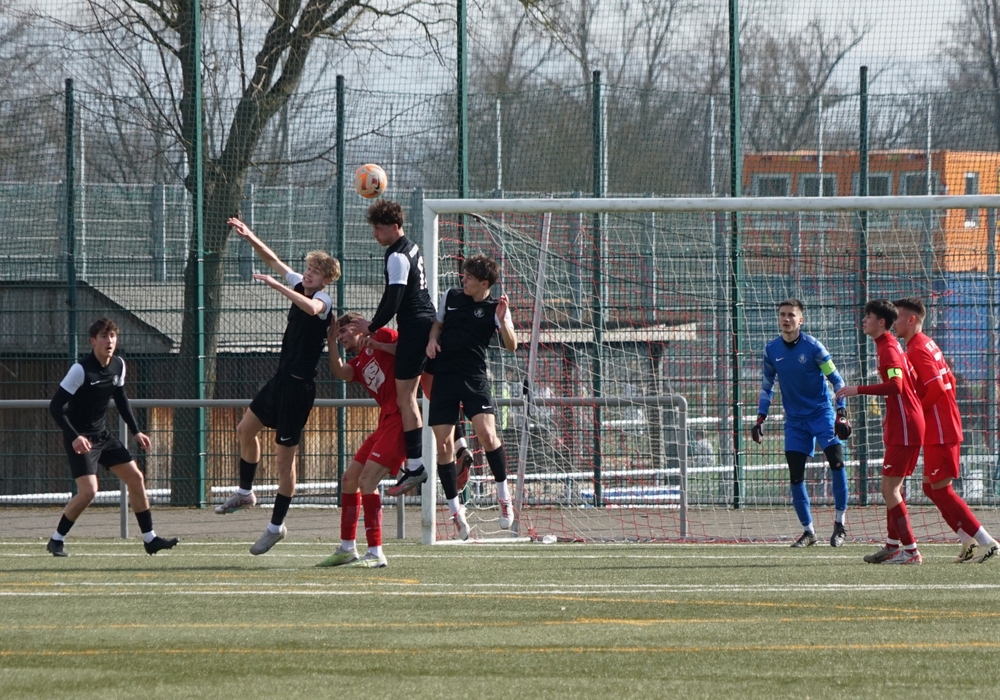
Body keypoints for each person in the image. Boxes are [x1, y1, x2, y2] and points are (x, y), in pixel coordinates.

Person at [214, 217, 340, 557]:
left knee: (285, 464)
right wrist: (250, 235)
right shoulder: (299, 282)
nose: (308, 273)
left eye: (315, 271)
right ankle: (245, 491)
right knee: (245, 429)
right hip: (279, 381)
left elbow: (311, 307)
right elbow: (273, 260)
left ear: (326, 279)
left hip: (300, 390)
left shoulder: (325, 301)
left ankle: (275, 527)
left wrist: (277, 286)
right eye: (308, 268)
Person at [47, 318, 177, 557]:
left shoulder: (119, 365)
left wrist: (136, 430)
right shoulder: (81, 370)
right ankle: (57, 539)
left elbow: (121, 399)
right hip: (80, 438)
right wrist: (75, 437)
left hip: (103, 436)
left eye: (113, 336)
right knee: (89, 492)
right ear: (93, 341)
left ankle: (150, 539)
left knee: (136, 478)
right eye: (104, 337)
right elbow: (55, 407)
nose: (110, 341)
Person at [893, 298, 998, 564]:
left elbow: (939, 387)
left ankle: (988, 541)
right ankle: (967, 539)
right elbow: (948, 379)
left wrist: (918, 408)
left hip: (940, 428)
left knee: (942, 489)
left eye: (897, 317)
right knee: (931, 489)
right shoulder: (926, 342)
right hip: (941, 425)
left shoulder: (917, 348)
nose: (894, 322)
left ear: (911, 320)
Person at [349, 200, 437, 498]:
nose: (375, 234)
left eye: (379, 228)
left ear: (394, 226)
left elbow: (394, 300)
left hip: (414, 327)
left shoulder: (397, 256)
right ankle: (457, 446)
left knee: (405, 398)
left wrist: (370, 328)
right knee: (430, 389)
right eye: (373, 227)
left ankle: (415, 465)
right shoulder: (411, 247)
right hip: (426, 322)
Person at [427, 255, 518, 539]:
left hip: (474, 377)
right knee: (443, 445)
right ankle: (456, 511)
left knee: (487, 435)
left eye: (468, 277)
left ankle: (504, 497)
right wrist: (432, 339)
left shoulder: (496, 307)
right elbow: (438, 325)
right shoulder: (451, 295)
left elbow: (512, 345)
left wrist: (503, 322)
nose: (462, 280)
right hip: (445, 376)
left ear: (484, 283)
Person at [751, 299, 853, 548]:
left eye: (791, 315)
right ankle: (809, 532)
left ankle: (840, 524)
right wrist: (760, 416)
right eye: (782, 315)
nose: (786, 319)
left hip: (822, 415)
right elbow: (767, 386)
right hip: (795, 422)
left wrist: (841, 412)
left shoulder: (814, 347)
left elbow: (837, 380)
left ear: (800, 320)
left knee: (837, 463)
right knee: (796, 477)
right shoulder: (771, 350)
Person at [837, 299, 925, 565]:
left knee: (890, 489)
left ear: (881, 322)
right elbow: (909, 385)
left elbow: (897, 385)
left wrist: (858, 389)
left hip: (906, 426)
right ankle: (892, 546)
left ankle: (911, 551)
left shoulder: (888, 348)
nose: (864, 320)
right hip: (903, 423)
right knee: (891, 488)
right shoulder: (886, 346)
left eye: (868, 316)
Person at [317, 313, 403, 569]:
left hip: (401, 419)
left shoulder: (382, 336)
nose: (342, 338)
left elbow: (409, 350)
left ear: (356, 328)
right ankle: (346, 548)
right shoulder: (359, 361)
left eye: (343, 333)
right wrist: (331, 343)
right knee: (349, 479)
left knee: (367, 481)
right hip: (385, 422)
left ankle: (376, 552)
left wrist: (376, 340)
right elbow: (341, 372)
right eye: (338, 334)